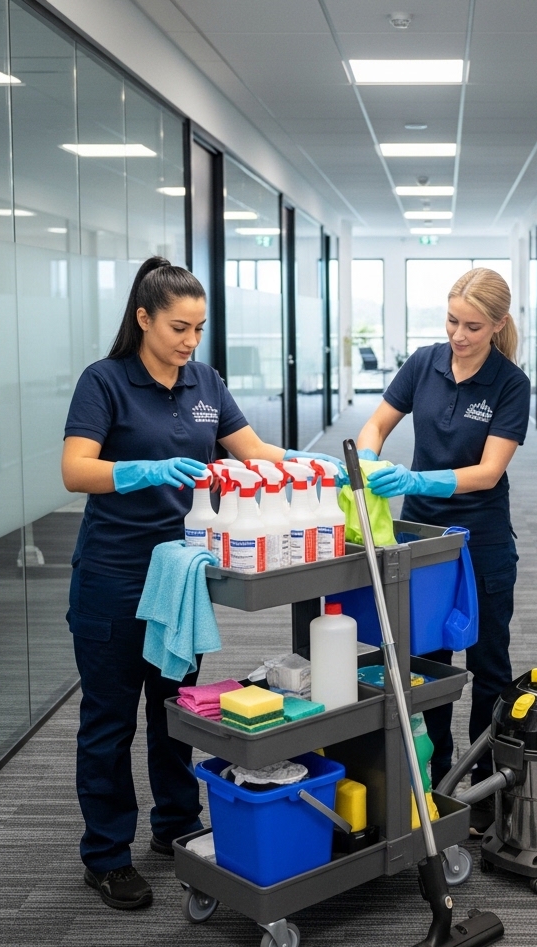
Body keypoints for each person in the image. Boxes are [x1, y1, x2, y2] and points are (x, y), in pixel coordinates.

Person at [62, 256, 339, 910]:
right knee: (108, 722)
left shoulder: (206, 381)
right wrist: (139, 470)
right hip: (115, 574)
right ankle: (105, 855)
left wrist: (307, 466)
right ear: (143, 319)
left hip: (183, 575)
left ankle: (176, 825)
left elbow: (253, 452)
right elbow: (76, 470)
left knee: (174, 710)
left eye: (199, 327)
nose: (190, 341)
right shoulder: (104, 381)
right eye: (178, 327)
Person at [356, 268, 530, 834]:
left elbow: (488, 472)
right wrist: (368, 457)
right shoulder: (425, 362)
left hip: (481, 539)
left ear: (498, 325)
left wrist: (421, 480)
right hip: (425, 541)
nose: (458, 334)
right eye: (452, 320)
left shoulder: (510, 384)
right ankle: (434, 780)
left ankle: (480, 784)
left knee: (488, 662)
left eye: (472, 326)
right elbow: (377, 423)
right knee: (428, 661)